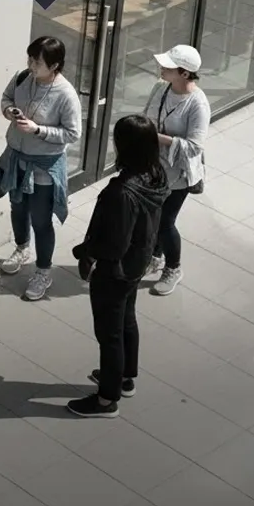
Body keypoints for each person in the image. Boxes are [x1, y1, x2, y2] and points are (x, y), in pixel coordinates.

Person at [67, 115, 169, 418]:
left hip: (115, 271)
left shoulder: (121, 191)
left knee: (109, 334)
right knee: (126, 321)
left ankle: (106, 400)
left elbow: (113, 244)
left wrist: (86, 252)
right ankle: (125, 378)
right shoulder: (155, 175)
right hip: (136, 264)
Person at [0, 36, 82, 301]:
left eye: (37, 61)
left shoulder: (65, 94)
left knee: (41, 219)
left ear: (54, 66)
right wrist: (10, 112)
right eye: (30, 58)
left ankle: (43, 271)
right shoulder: (22, 77)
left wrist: (38, 130)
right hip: (16, 156)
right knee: (17, 207)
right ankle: (22, 248)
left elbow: (73, 133)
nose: (31, 65)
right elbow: (7, 98)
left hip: (44, 164)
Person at [142, 44, 210, 296]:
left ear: (184, 73)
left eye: (168, 67)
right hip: (153, 166)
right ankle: (154, 256)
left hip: (178, 174)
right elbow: (147, 116)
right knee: (151, 217)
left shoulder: (197, 105)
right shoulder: (161, 88)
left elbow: (194, 147)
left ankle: (173, 267)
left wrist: (157, 137)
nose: (162, 68)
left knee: (165, 222)